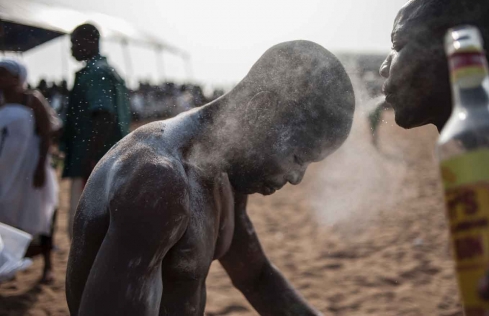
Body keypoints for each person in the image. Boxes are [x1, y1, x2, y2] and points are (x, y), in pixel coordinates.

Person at [66, 40, 355, 316]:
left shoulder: (225, 172)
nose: (296, 178)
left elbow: (257, 278)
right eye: (298, 158)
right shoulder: (158, 184)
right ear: (260, 110)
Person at [379, 0, 489, 316]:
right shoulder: (479, 150)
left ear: (455, 46)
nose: (383, 67)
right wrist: (257, 277)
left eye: (397, 45)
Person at [62, 23, 131, 239]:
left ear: (90, 41)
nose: (71, 49)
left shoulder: (94, 73)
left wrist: (91, 159)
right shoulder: (108, 70)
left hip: (95, 165)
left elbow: (104, 115)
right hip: (111, 161)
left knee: (86, 233)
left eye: (74, 43)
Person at [0, 59, 59, 283]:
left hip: (29, 166)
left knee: (37, 212)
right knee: (4, 212)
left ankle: (47, 266)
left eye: (3, 74)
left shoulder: (32, 99)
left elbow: (47, 133)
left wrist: (40, 166)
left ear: (18, 78)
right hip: (5, 167)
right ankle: (8, 262)